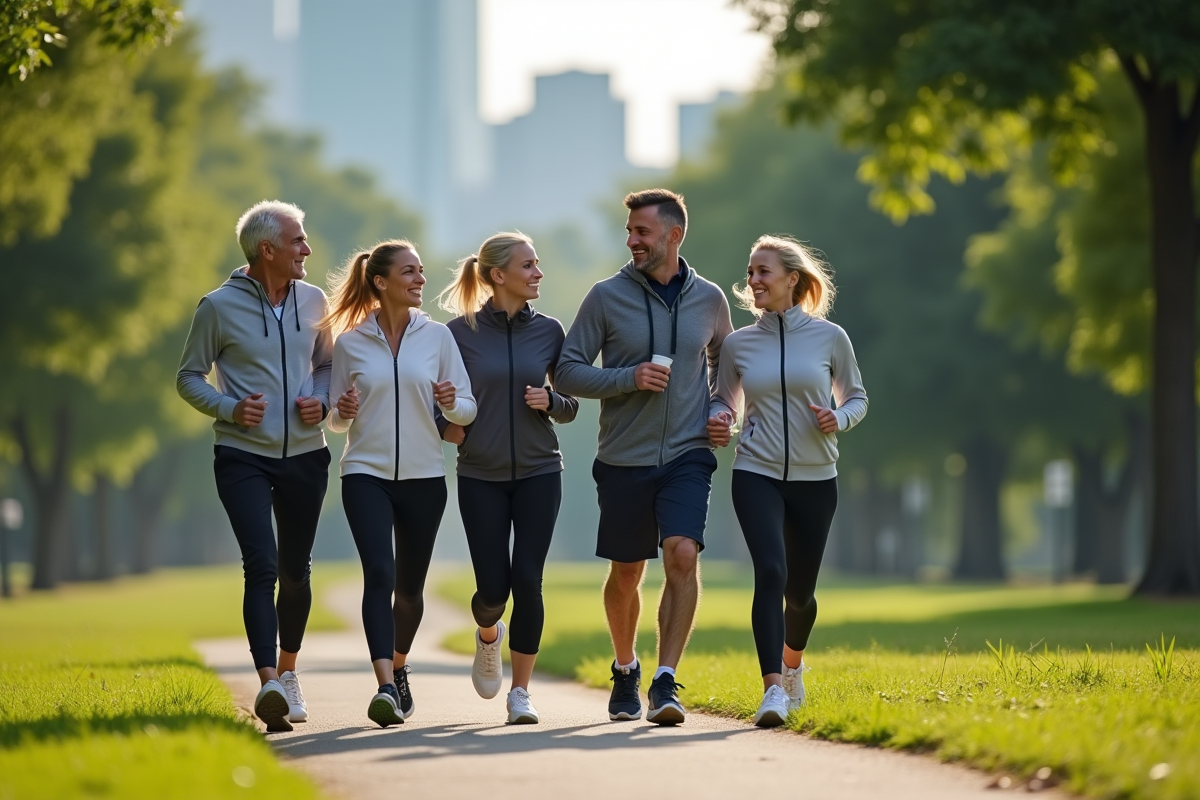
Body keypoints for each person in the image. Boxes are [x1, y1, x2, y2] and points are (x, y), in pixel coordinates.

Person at [556, 189, 733, 725]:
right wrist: (626, 378)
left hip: (688, 453)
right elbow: (566, 370)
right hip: (624, 457)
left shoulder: (710, 299)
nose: (631, 240)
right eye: (629, 231)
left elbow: (728, 365)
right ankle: (626, 666)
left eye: (641, 232)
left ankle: (665, 679)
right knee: (627, 571)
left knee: (682, 553)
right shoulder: (606, 296)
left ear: (673, 236)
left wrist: (724, 410)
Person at [177, 200, 332, 733]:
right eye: (298, 241)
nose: (307, 249)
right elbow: (189, 376)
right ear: (267, 250)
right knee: (260, 564)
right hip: (242, 455)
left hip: (307, 455)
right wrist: (228, 408)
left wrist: (322, 399)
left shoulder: (314, 301)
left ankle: (289, 673)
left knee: (295, 570)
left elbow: (329, 365)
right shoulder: (217, 307)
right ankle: (268, 680)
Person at [708, 235, 868, 727]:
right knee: (771, 574)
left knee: (799, 593)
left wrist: (837, 419)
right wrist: (720, 419)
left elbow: (858, 398)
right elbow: (723, 400)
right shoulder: (738, 344)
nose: (753, 281)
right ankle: (773, 689)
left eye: (763, 272)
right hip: (755, 471)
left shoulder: (830, 338)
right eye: (750, 272)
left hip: (816, 478)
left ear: (791, 279)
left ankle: (794, 665)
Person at [323, 239, 476, 727]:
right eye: (409, 272)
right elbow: (336, 419)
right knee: (380, 576)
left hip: (425, 477)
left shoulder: (438, 339)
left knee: (409, 589)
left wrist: (451, 402)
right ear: (381, 281)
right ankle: (386, 685)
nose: (420, 280)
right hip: (364, 474)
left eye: (421, 271)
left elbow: (466, 410)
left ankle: (401, 664)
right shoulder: (349, 343)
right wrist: (339, 411)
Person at [435, 232, 579, 725]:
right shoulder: (458, 333)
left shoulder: (551, 331)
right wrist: (447, 429)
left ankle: (521, 693)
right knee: (493, 590)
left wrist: (552, 402)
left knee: (528, 581)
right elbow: (430, 398)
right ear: (498, 276)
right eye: (528, 265)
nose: (538, 273)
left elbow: (572, 404)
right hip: (480, 474)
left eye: (538, 264)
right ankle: (488, 634)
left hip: (541, 470)